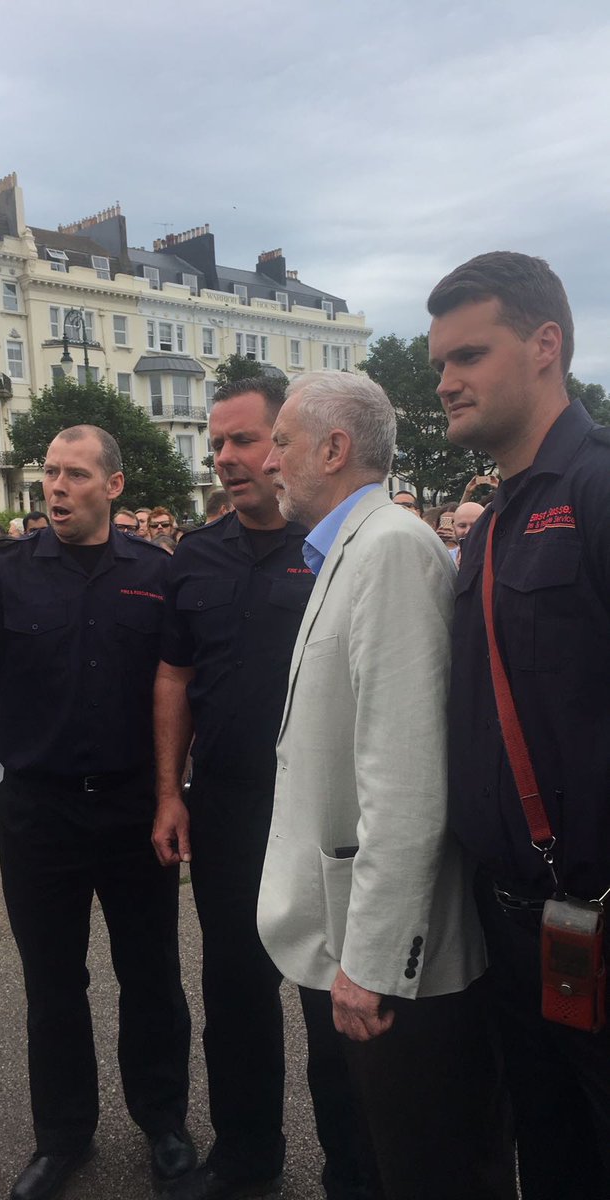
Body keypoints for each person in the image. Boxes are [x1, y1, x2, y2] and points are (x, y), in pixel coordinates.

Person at [257, 370, 516, 1200]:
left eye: (282, 442)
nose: (267, 460)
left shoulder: (391, 550)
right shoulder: (357, 547)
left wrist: (372, 962)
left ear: (334, 449)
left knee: (427, 1168)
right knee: (376, 1159)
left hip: (391, 967)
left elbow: (406, 780)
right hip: (351, 939)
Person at [0, 426, 193, 1200]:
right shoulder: (5, 571)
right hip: (38, 813)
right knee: (52, 985)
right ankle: (62, 1137)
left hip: (131, 809)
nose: (56, 486)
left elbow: (180, 686)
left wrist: (172, 794)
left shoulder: (156, 573)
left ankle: (164, 1123)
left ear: (113, 487)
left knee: (151, 976)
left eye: (75, 474)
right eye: (49, 472)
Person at [153, 378, 377, 1200]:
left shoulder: (337, 549)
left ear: (285, 442)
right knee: (236, 995)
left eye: (245, 440)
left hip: (318, 813)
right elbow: (174, 677)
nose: (226, 458)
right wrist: (169, 791)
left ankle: (354, 1176)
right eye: (217, 443)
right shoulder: (194, 556)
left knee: (329, 1006)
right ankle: (246, 1157)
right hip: (227, 808)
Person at [428, 250, 610, 1200]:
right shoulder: (494, 520)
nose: (444, 382)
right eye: (439, 364)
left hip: (595, 913)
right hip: (510, 923)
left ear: (545, 346)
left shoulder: (597, 489)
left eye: (468, 355)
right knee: (547, 1152)